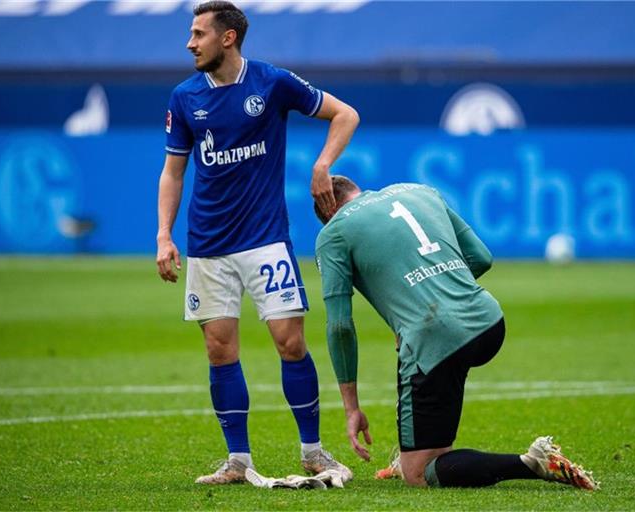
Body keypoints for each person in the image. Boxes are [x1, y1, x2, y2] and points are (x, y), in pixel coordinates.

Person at [155, 1, 359, 485]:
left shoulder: (271, 82)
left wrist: (322, 165)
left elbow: (345, 115)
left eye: (199, 33)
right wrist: (164, 235)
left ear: (227, 38)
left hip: (266, 239)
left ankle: (312, 451)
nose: (190, 42)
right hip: (207, 244)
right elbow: (173, 171)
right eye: (191, 33)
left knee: (291, 343)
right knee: (219, 351)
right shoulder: (185, 97)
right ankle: (237, 461)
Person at [313, 176, 599, 490]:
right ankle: (422, 448)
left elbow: (340, 326)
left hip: (437, 338)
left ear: (328, 212)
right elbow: (481, 257)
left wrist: (352, 407)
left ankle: (533, 462)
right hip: (488, 321)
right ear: (357, 190)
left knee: (418, 473)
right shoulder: (420, 191)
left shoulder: (333, 233)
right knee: (423, 372)